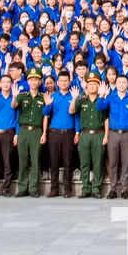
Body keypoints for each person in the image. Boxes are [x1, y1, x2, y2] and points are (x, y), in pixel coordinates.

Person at [74, 73, 110, 198]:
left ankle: (96, 188)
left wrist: (106, 135)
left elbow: (106, 119)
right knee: (84, 163)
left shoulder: (103, 101)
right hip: (84, 134)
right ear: (86, 86)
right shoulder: (81, 100)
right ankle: (85, 188)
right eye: (90, 84)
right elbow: (72, 111)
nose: (92, 87)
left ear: (98, 86)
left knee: (97, 162)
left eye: (95, 84)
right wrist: (74, 99)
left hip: (98, 134)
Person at [13, 72, 48, 197]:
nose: (33, 82)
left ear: (39, 82)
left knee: (35, 161)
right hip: (23, 130)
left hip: (36, 131)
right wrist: (14, 97)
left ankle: (33, 188)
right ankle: (22, 187)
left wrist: (44, 133)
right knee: (23, 160)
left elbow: (45, 116)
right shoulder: (22, 96)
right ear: (28, 82)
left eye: (36, 80)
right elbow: (13, 106)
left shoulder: (43, 97)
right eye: (31, 80)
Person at [44, 70, 78, 198]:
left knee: (68, 162)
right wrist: (47, 105)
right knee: (54, 162)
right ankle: (54, 189)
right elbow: (45, 113)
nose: (63, 83)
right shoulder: (53, 96)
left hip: (68, 132)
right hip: (54, 133)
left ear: (69, 82)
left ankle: (67, 189)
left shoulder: (73, 96)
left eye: (66, 81)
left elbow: (76, 116)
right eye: (61, 81)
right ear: (57, 83)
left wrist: (77, 132)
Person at [105, 74, 128, 200]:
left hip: (127, 134)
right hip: (113, 133)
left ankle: (125, 189)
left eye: (124, 82)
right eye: (119, 82)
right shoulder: (110, 98)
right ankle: (112, 189)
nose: (121, 85)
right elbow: (99, 106)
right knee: (113, 163)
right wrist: (102, 96)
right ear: (116, 84)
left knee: (126, 162)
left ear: (127, 84)